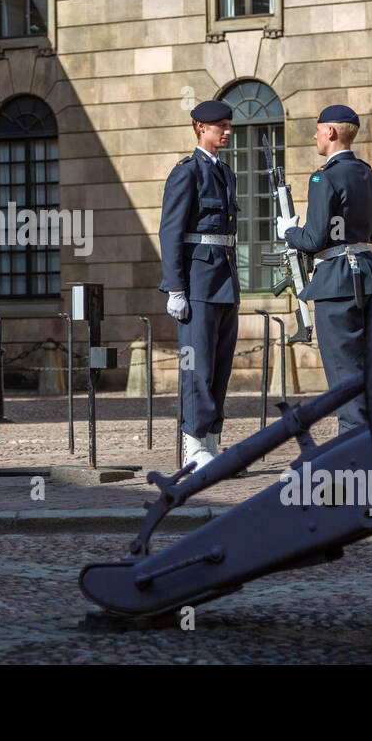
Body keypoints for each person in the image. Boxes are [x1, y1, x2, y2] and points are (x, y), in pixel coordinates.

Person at [276, 104, 372, 436]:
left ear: (331, 132)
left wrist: (289, 232)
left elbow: (313, 238)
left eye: (317, 128)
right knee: (370, 369)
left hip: (336, 282)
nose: (314, 134)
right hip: (368, 275)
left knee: (344, 373)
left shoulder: (323, 176)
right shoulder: (369, 174)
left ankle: (355, 450)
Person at [159, 99, 240, 471]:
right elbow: (171, 231)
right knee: (197, 367)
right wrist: (175, 288)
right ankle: (193, 444)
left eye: (228, 124)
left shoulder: (225, 172)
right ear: (199, 127)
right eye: (219, 125)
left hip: (224, 279)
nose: (226, 131)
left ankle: (210, 440)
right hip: (197, 282)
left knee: (220, 367)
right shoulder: (186, 171)